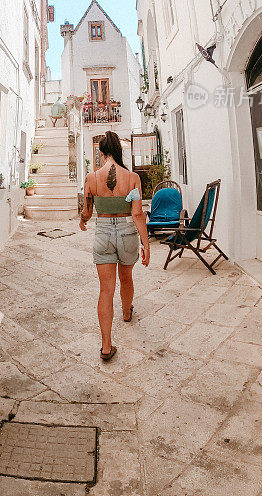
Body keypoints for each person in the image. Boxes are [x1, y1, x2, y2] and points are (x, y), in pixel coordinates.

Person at [79, 131, 150, 361]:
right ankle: (127, 312)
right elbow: (138, 213)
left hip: (103, 235)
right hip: (128, 232)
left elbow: (87, 213)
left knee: (105, 290)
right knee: (126, 278)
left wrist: (82, 220)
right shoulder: (132, 178)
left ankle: (106, 346)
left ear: (101, 153)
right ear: (118, 152)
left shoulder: (91, 178)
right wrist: (146, 244)